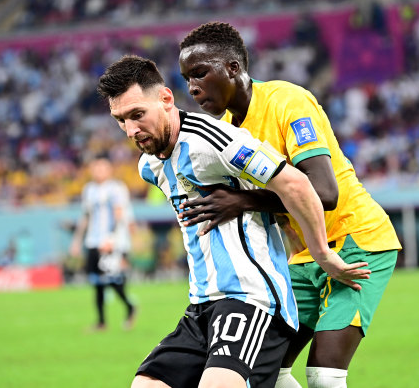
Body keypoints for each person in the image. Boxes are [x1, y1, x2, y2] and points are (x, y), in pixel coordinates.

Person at [97, 55, 370, 388]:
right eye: (120, 120)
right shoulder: (149, 166)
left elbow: (296, 184)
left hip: (252, 299)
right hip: (201, 306)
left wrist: (322, 253)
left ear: (166, 99)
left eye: (137, 115)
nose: (131, 130)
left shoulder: (213, 139)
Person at [178, 22, 402, 387]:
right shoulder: (231, 130)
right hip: (302, 258)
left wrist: (242, 201)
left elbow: (324, 193)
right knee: (264, 369)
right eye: (187, 78)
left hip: (356, 242)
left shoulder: (287, 101)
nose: (193, 87)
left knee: (324, 376)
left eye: (201, 73)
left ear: (233, 68)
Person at [69, 155, 136, 331]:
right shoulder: (88, 189)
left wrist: (111, 239)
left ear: (109, 170)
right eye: (95, 168)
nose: (98, 171)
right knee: (96, 282)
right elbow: (85, 216)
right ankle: (101, 322)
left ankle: (130, 306)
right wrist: (76, 241)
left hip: (110, 242)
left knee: (112, 279)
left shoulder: (116, 188)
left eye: (102, 168)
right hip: (93, 240)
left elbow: (119, 213)